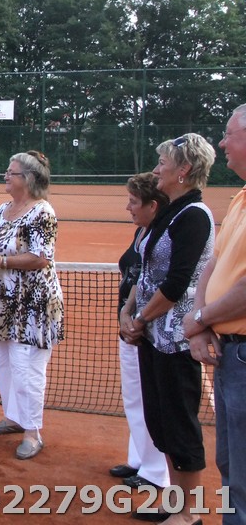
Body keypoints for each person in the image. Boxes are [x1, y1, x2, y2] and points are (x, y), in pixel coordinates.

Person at [120, 132, 216, 524]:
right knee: (161, 421)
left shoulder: (194, 216)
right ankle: (174, 503)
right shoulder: (169, 212)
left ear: (184, 170)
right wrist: (130, 313)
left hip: (176, 340)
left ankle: (190, 513)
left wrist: (140, 319)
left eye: (163, 162)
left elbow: (176, 284)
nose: (157, 168)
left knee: (179, 424)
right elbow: (143, 272)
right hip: (152, 338)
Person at [0, 151, 64, 460]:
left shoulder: (42, 212)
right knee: (3, 364)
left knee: (26, 368)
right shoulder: (1, 209)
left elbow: (40, 258)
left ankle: (32, 433)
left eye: (12, 172)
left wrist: (0, 261)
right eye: (7, 171)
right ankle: (14, 417)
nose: (6, 176)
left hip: (31, 304)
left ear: (29, 179)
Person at [183, 104, 246, 525]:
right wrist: (201, 322)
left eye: (229, 134)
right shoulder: (241, 198)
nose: (221, 143)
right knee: (231, 466)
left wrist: (201, 318)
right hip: (230, 353)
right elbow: (214, 263)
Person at [109, 173, 170, 488]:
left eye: (133, 201)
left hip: (148, 329)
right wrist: (125, 313)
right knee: (134, 398)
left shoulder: (163, 235)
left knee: (151, 400)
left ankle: (156, 472)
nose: (128, 207)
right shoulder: (141, 232)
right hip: (130, 325)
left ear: (152, 205)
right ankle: (140, 459)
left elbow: (165, 283)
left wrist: (138, 319)